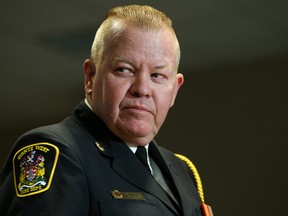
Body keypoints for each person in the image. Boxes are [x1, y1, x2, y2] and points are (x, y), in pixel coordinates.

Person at [0, 5, 213, 216]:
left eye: (157, 75)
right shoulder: (55, 153)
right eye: (124, 70)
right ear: (90, 77)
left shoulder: (181, 170)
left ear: (175, 89)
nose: (142, 89)